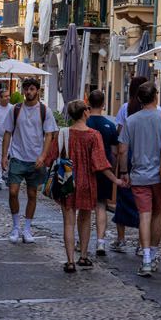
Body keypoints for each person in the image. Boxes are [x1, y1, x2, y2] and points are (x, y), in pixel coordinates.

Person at [116, 80, 161, 277]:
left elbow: (122, 150)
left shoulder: (132, 120)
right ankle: (153, 254)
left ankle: (145, 258)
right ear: (156, 96)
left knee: (144, 216)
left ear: (139, 99)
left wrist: (124, 173)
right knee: (157, 215)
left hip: (138, 176)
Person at [61, 98, 125, 274]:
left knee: (68, 222)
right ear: (84, 113)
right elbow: (100, 163)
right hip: (87, 182)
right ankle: (83, 256)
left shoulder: (64, 133)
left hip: (67, 182)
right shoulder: (93, 135)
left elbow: (52, 157)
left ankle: (70, 261)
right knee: (85, 218)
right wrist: (115, 179)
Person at [1, 77, 58, 245]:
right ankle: (16, 226)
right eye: (26, 89)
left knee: (32, 194)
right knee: (12, 192)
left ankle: (27, 228)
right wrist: (4, 156)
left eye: (32, 89)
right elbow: (7, 133)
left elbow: (49, 135)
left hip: (36, 159)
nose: (29, 92)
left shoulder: (44, 111)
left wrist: (43, 156)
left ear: (38, 91)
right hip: (17, 157)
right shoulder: (15, 110)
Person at [85, 89, 123, 257]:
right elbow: (115, 151)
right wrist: (113, 170)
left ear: (88, 103)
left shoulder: (84, 123)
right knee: (101, 205)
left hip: (86, 168)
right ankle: (100, 242)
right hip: (104, 168)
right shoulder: (110, 125)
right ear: (103, 104)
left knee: (84, 207)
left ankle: (82, 240)